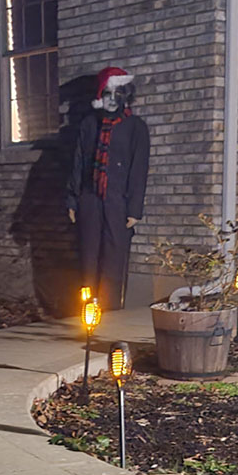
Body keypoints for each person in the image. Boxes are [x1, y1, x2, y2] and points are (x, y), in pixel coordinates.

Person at [66, 66, 150, 310]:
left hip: (118, 201)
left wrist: (134, 209)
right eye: (107, 94)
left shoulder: (135, 127)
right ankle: (88, 310)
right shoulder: (89, 124)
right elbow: (79, 162)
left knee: (114, 259)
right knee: (88, 257)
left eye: (117, 95)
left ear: (125, 96)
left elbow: (139, 169)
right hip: (90, 198)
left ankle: (111, 310)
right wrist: (72, 199)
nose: (112, 100)